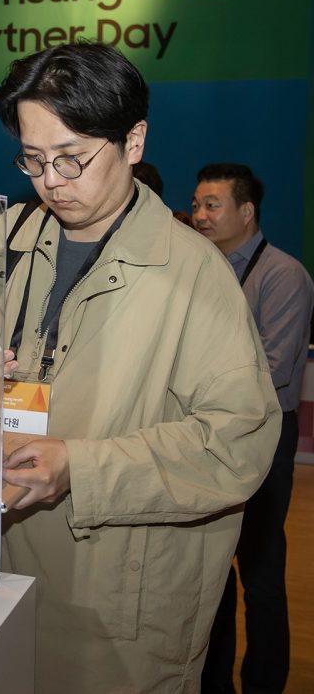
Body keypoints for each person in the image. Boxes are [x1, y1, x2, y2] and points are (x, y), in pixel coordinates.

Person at [0, 42, 280, 693]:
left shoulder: (194, 273)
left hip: (111, 594)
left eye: (71, 158)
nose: (51, 181)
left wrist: (82, 468)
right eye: (32, 159)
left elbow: (236, 441)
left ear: (133, 141)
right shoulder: (9, 239)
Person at [192, 163, 314, 694]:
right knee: (213, 568)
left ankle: (264, 683)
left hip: (265, 435)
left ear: (246, 211)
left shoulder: (283, 275)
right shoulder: (202, 270)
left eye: (211, 205)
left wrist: (197, 380)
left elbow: (274, 367)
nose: (199, 215)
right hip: (208, 434)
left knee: (260, 571)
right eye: (196, 204)